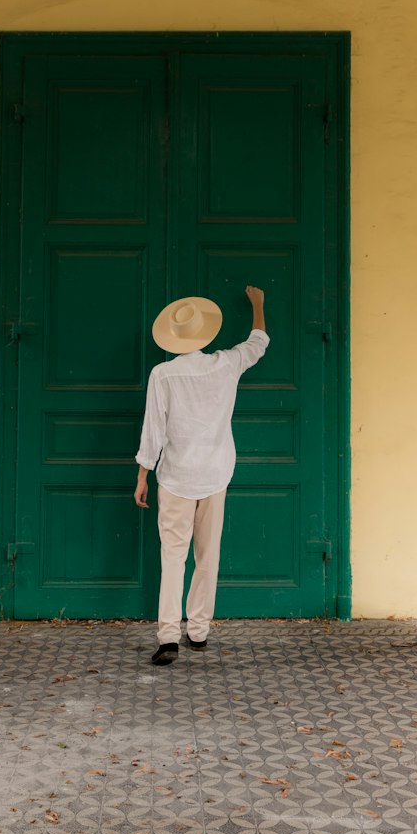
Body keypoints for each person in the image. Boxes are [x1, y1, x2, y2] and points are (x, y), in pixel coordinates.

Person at [134, 285, 269, 665]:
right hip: (215, 474)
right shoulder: (226, 363)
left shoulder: (163, 375)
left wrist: (143, 473)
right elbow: (258, 342)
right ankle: (199, 631)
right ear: (206, 333)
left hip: (176, 477)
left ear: (173, 338)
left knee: (173, 558)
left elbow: (153, 430)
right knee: (208, 556)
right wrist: (257, 305)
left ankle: (167, 638)